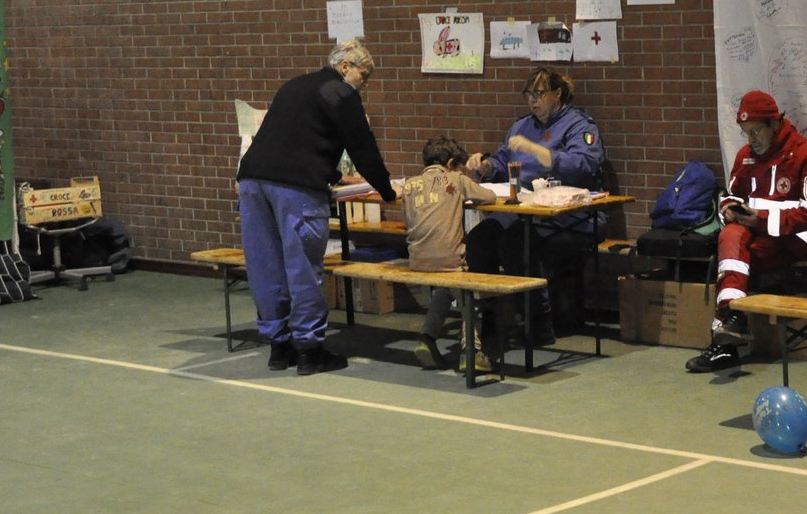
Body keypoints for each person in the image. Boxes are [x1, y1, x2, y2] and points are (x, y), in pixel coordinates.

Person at [236, 38, 395, 375]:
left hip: (251, 181)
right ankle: (310, 350)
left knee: (266, 266)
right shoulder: (340, 92)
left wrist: (332, 173)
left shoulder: (294, 85)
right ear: (345, 67)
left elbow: (295, 138)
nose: (363, 85)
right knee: (303, 269)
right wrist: (387, 190)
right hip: (295, 190)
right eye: (363, 76)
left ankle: (279, 348)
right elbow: (362, 147)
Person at [685, 91, 807, 373]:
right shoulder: (745, 157)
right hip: (757, 239)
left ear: (774, 124)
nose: (750, 139)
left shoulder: (806, 155)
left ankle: (727, 336)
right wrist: (729, 210)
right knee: (730, 237)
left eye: (755, 131)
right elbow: (730, 196)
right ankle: (733, 316)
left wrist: (760, 220)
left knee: (731, 258)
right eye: (745, 132)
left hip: (793, 242)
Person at [466, 66, 606, 343]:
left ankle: (538, 324)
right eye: (529, 94)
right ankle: (491, 321)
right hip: (527, 209)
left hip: (574, 216)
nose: (533, 100)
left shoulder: (580, 125)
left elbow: (586, 166)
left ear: (557, 94)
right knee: (480, 238)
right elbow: (502, 160)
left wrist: (542, 153)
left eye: (539, 94)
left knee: (518, 242)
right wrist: (485, 166)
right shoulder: (521, 125)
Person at [403, 135, 499, 374]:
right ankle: (472, 352)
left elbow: (407, 220)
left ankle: (426, 338)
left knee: (445, 289)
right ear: (452, 163)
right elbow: (489, 197)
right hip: (450, 260)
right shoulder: (456, 179)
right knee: (470, 299)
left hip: (417, 260)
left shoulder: (408, 185)